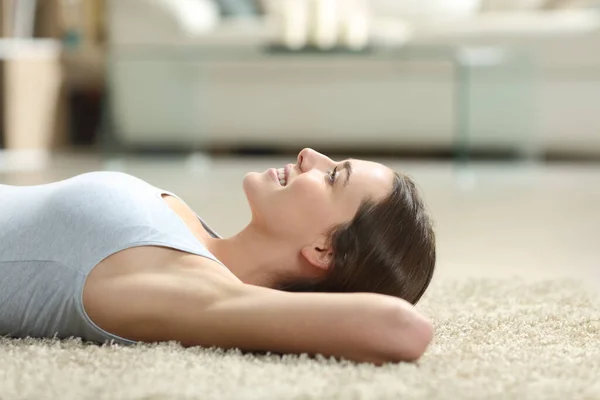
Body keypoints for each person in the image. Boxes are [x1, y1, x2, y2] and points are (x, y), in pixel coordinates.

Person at [0, 148, 436, 365]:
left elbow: (402, 328)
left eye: (333, 176)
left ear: (324, 250)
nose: (309, 156)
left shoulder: (194, 292)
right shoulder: (199, 240)